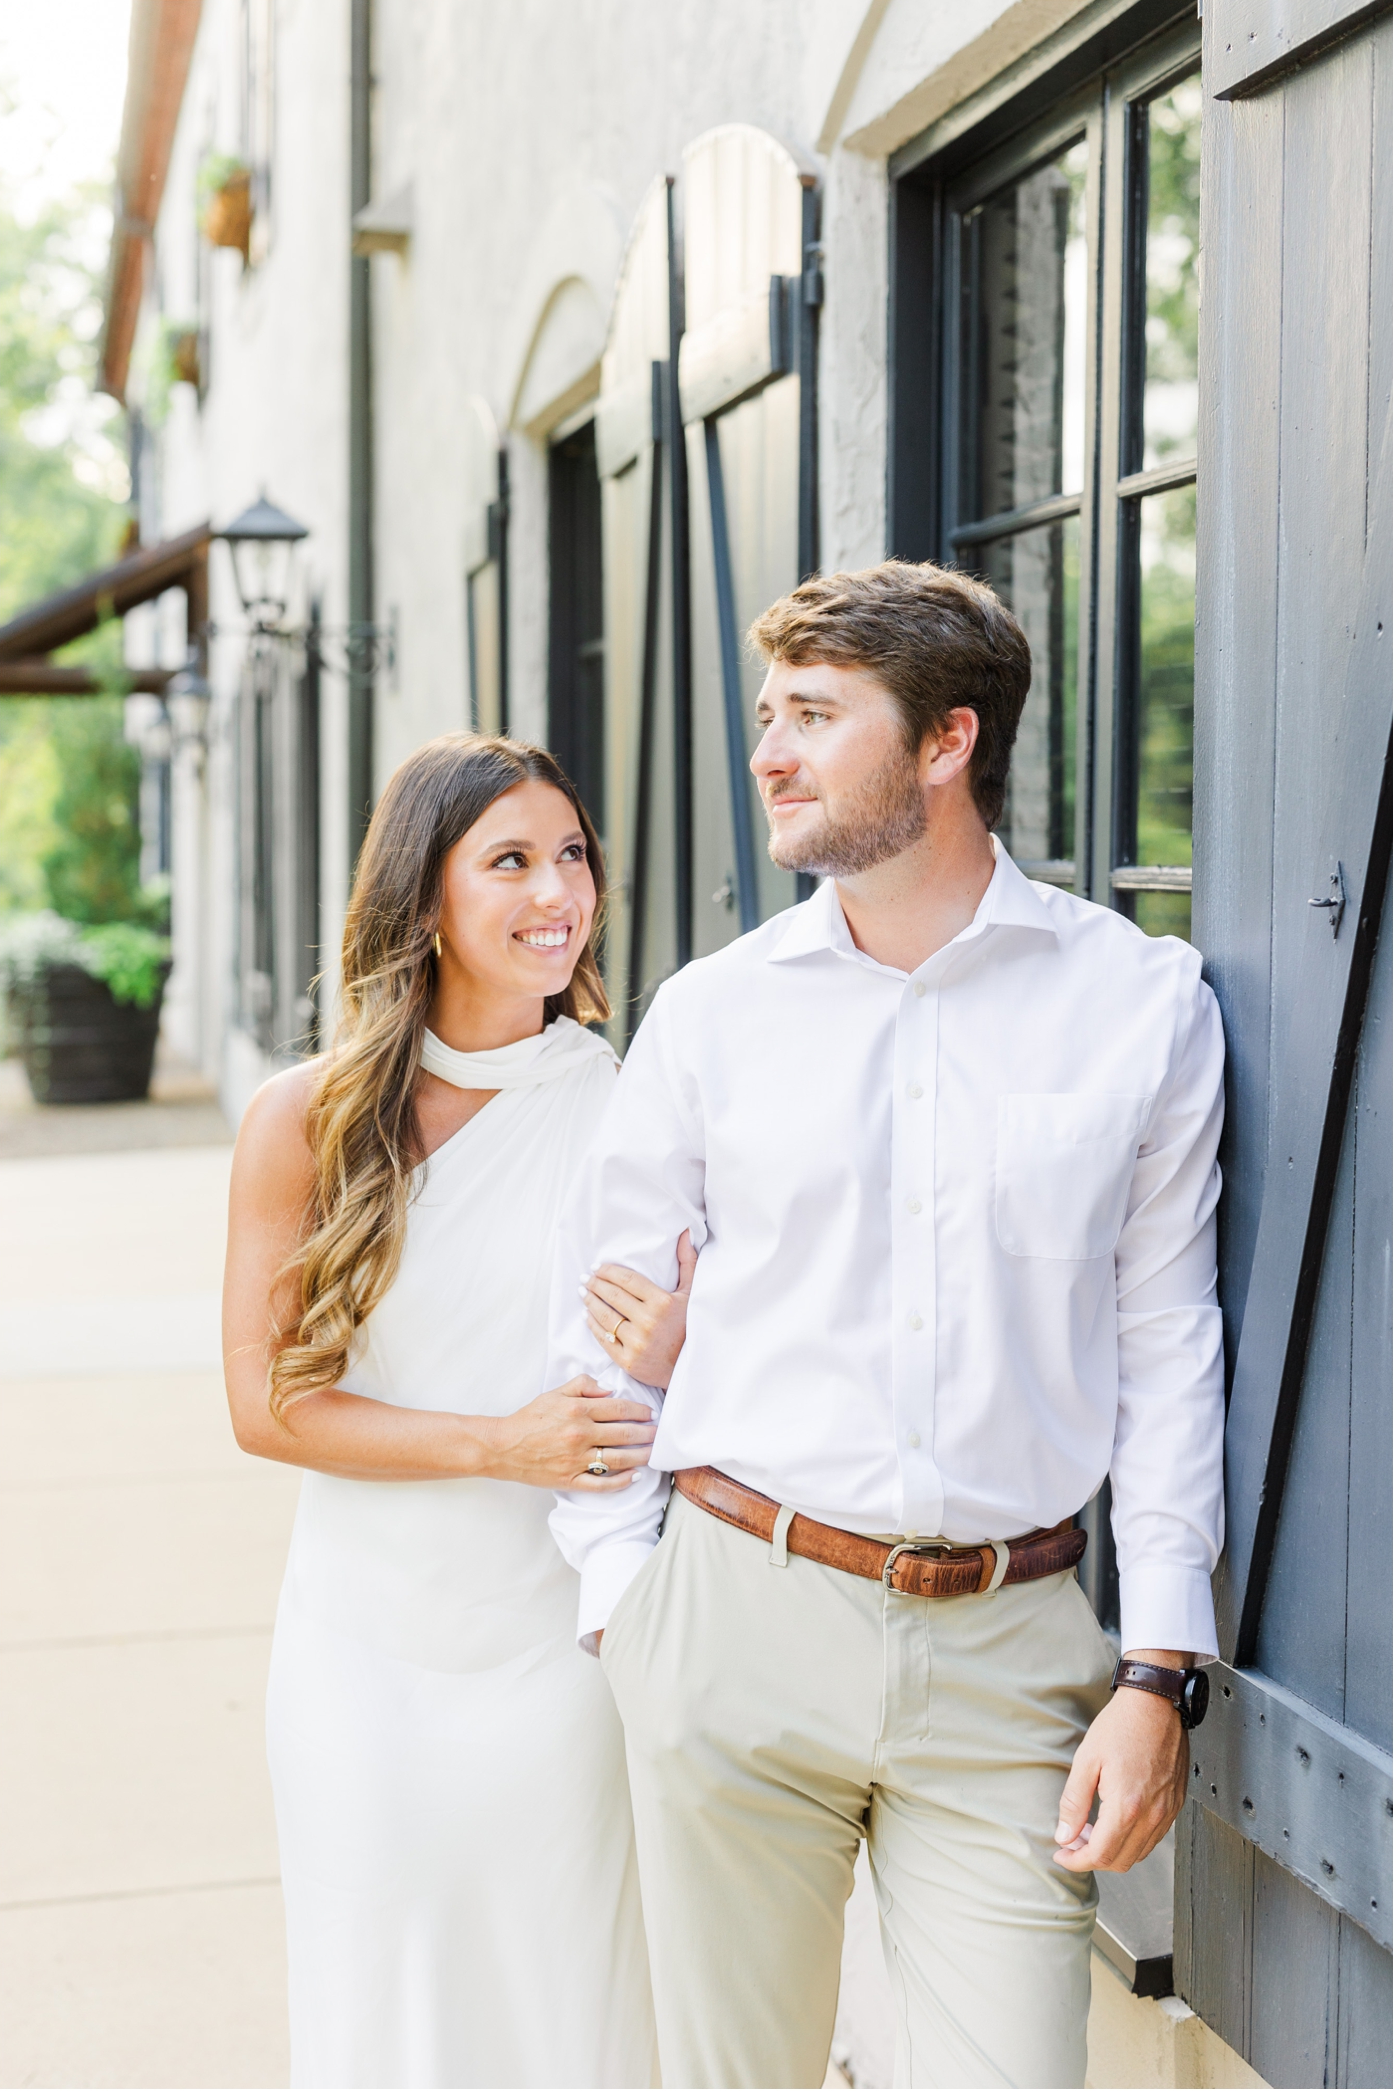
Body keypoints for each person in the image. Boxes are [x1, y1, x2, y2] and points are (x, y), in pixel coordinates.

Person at [551, 562, 1225, 2090]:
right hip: (733, 1617)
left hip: (1012, 1656)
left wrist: (1161, 1665)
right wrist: (622, 1600)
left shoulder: (1139, 1004)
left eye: (811, 715)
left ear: (944, 743)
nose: (768, 752)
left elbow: (1171, 1335)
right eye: (766, 713)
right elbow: (596, 1324)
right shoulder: (713, 1015)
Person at [223, 734, 686, 2090]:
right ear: (423, 897)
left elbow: (713, 1365)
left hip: (558, 1652)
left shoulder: (630, 1104)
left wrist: (682, 1345)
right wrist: (499, 1442)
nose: (561, 890)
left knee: (565, 2000)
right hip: (362, 1647)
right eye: (512, 860)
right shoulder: (302, 1118)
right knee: (384, 2003)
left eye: (574, 855)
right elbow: (265, 1404)